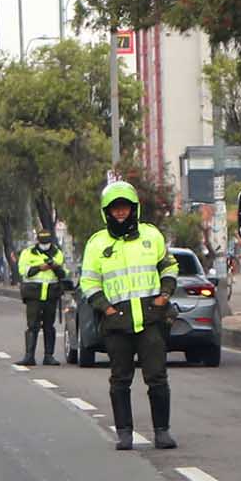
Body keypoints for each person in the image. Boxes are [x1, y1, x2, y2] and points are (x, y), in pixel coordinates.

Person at [80, 182, 180, 450]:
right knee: (120, 380)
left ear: (133, 208)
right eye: (115, 208)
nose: (120, 212)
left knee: (157, 377)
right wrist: (106, 308)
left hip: (150, 319)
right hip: (117, 322)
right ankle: (124, 433)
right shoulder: (97, 243)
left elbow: (169, 266)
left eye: (124, 207)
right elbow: (89, 282)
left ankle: (162, 432)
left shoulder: (151, 235)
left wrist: (164, 296)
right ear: (107, 212)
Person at [16, 230, 66, 365]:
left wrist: (54, 266)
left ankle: (49, 356)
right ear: (38, 241)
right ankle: (29, 356)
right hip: (34, 295)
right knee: (33, 325)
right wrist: (40, 267)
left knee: (49, 326)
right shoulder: (28, 253)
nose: (45, 245)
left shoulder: (57, 253)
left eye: (47, 242)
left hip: (51, 294)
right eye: (43, 242)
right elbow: (23, 271)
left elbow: (63, 273)